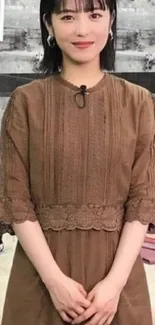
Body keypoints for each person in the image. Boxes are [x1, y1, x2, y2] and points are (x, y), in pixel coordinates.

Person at [0, 0, 155, 324]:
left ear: (111, 21)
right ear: (48, 25)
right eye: (67, 16)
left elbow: (143, 198)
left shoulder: (139, 103)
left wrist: (113, 285)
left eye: (95, 14)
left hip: (119, 288)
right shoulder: (25, 102)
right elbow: (15, 199)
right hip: (39, 285)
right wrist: (54, 282)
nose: (82, 29)